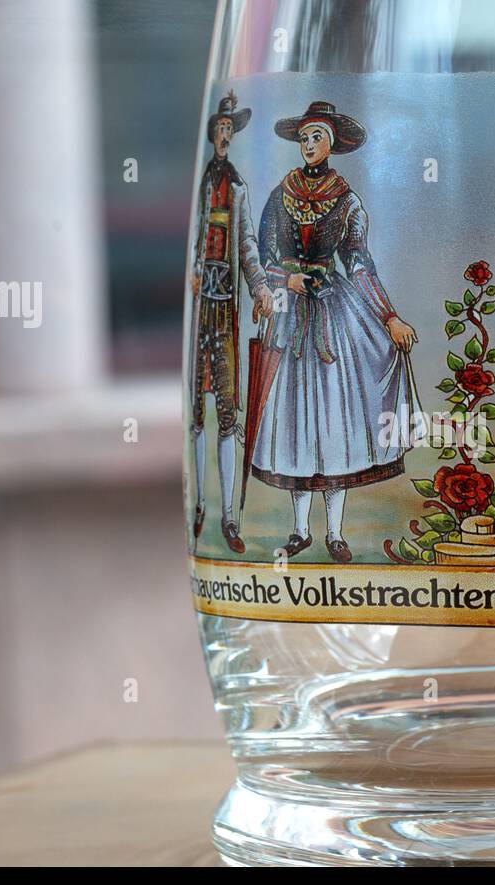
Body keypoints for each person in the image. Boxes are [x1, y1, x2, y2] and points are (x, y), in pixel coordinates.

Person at [251, 101, 420, 564]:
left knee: (332, 418)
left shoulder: (347, 201)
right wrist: (287, 280)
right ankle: (299, 530)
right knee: (295, 418)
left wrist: (389, 317)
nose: (309, 145)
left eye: (317, 137)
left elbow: (361, 265)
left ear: (332, 145)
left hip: (333, 316)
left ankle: (336, 532)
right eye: (304, 138)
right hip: (290, 315)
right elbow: (263, 256)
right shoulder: (279, 195)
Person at [189, 90, 273, 552]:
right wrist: (193, 273)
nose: (224, 137)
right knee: (196, 413)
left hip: (225, 310)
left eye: (229, 131)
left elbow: (247, 247)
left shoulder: (237, 187)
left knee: (226, 410)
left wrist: (260, 288)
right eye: (218, 130)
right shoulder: (201, 184)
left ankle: (229, 518)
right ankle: (198, 504)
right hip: (200, 306)